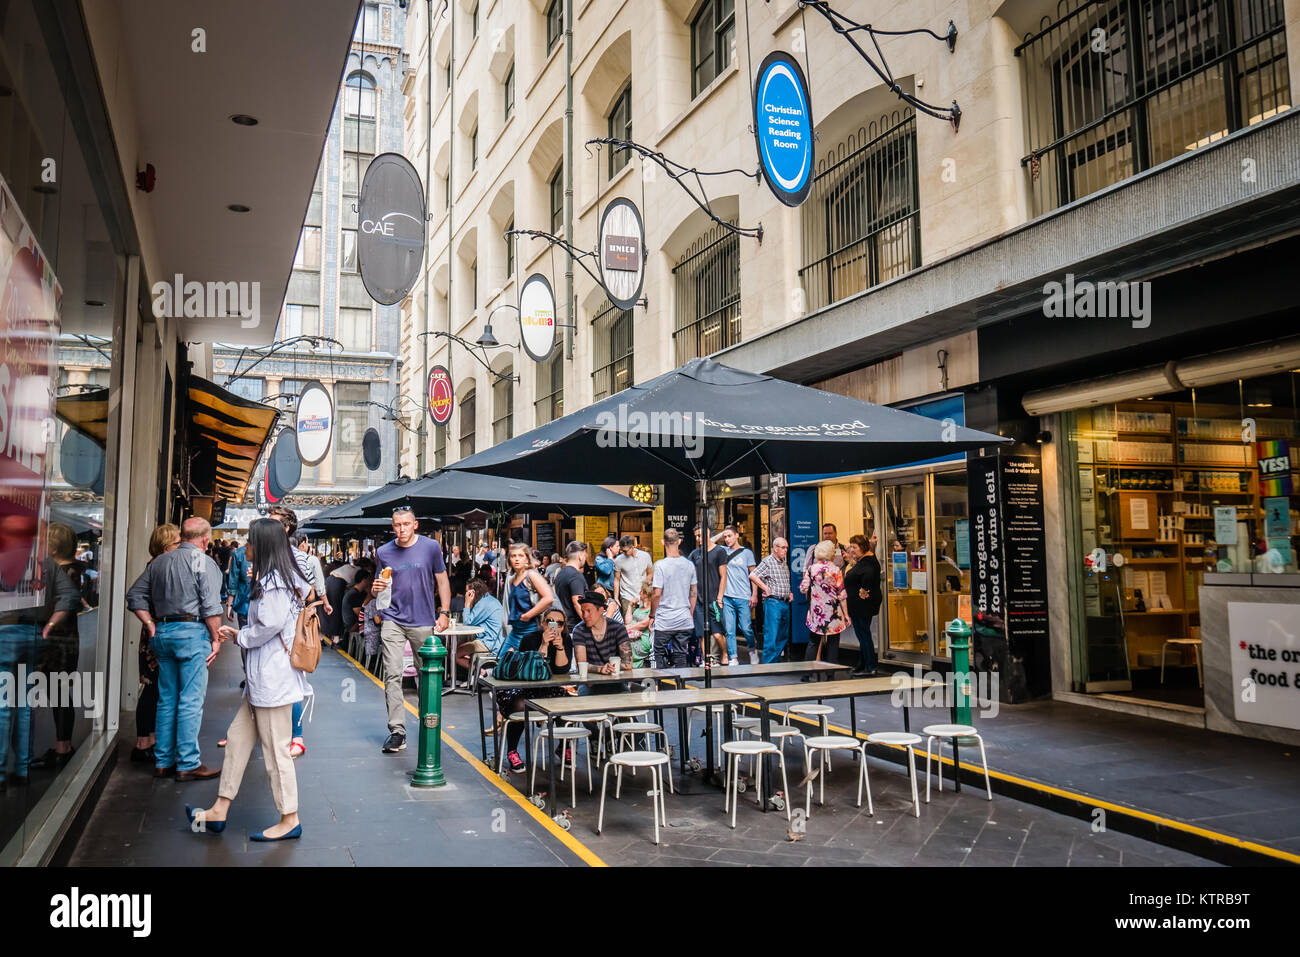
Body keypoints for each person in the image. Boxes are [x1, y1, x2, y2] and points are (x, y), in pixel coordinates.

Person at [188, 518, 311, 841]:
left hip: (272, 679)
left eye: (251, 541)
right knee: (237, 740)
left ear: (264, 545)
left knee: (276, 751)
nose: (246, 547)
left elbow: (268, 625)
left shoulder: (275, 582)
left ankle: (290, 817)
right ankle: (219, 809)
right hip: (262, 679)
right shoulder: (275, 577)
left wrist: (240, 637)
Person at [125, 516, 224, 780]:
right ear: (205, 539)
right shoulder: (202, 561)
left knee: (166, 699)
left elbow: (134, 595)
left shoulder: (160, 561)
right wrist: (216, 638)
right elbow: (211, 606)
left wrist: (149, 624)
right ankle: (188, 763)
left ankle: (163, 762)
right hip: (192, 634)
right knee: (190, 700)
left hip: (163, 634)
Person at [371, 507, 451, 754]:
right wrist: (375, 590)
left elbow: (442, 579)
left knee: (425, 672)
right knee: (392, 673)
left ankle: (429, 721)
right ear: (392, 526)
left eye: (406, 524)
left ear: (415, 524)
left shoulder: (430, 547)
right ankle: (397, 731)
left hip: (423, 619)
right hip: (392, 618)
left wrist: (445, 612)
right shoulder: (384, 552)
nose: (401, 529)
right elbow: (379, 589)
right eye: (397, 525)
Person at [29, 523, 92, 771]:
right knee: (60, 695)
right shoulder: (76, 571)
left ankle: (62, 748)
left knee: (57, 695)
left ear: (52, 548)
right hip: (65, 642)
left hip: (57, 644)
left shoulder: (62, 573)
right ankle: (62, 745)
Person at [497, 607, 570, 773]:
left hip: (550, 689)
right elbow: (533, 671)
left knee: (566, 702)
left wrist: (559, 648)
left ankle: (564, 746)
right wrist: (544, 644)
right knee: (520, 705)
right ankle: (512, 750)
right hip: (527, 687)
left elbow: (562, 671)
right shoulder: (530, 639)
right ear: (543, 623)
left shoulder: (565, 640)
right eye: (551, 622)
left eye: (560, 623)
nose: (555, 626)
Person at [133, 524, 180, 764]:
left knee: (156, 689)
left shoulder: (157, 565)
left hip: (153, 632)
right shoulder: (157, 567)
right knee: (152, 689)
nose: (180, 546)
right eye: (176, 542)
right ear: (166, 546)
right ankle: (143, 742)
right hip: (155, 634)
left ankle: (149, 739)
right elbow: (137, 597)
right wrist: (151, 623)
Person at [799, 539, 849, 679]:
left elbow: (803, 588)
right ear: (831, 554)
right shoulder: (836, 570)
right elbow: (842, 595)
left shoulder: (811, 569)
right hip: (833, 613)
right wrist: (846, 615)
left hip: (816, 612)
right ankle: (830, 675)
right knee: (833, 644)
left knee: (813, 642)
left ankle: (806, 674)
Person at [650, 528, 696, 668]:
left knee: (658, 654)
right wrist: (690, 613)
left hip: (665, 619)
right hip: (684, 618)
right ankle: (679, 686)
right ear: (679, 542)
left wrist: (652, 614)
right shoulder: (689, 565)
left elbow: (657, 593)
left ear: (663, 542)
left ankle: (661, 685)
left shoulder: (660, 565)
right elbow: (693, 593)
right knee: (681, 654)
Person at [501, 541, 553, 657]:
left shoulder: (531, 575)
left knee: (524, 666)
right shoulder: (512, 579)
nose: (517, 559)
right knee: (502, 663)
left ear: (527, 559)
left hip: (530, 630)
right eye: (513, 556)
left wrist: (528, 615)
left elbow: (549, 598)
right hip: (515, 630)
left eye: (520, 556)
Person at [715, 526, 756, 665]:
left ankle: (752, 649)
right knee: (729, 630)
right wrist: (721, 533)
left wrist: (754, 594)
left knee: (746, 628)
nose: (727, 539)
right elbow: (708, 542)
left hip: (743, 595)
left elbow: (753, 575)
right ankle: (734, 657)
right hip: (727, 596)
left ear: (737, 535)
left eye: (729, 536)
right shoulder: (722, 551)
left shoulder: (747, 553)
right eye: (725, 537)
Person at [750, 537, 794, 664]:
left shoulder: (783, 562)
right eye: (783, 547)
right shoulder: (768, 561)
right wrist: (765, 588)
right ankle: (768, 664)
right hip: (773, 602)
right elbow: (753, 575)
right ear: (775, 548)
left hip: (784, 602)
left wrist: (789, 592)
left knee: (783, 635)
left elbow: (783, 580)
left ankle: (775, 660)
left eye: (786, 547)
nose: (786, 550)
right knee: (772, 635)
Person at [688, 525, 728, 665]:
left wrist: (720, 598)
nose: (698, 539)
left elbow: (723, 576)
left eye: (700, 536)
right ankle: (707, 660)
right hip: (699, 600)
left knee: (717, 634)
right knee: (702, 634)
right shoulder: (695, 554)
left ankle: (725, 654)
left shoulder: (719, 551)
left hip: (714, 600)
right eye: (696, 537)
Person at [844, 533, 882, 676]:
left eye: (854, 547)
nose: (851, 550)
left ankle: (870, 666)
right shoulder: (863, 561)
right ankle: (863, 663)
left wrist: (862, 593)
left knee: (864, 634)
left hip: (862, 606)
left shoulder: (868, 563)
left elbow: (867, 581)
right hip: (859, 605)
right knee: (862, 634)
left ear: (862, 547)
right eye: (851, 546)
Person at [571, 591, 633, 678]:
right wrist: (600, 669)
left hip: (616, 681)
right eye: (583, 611)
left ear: (600, 610)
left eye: (589, 611)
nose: (585, 615)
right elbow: (581, 665)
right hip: (590, 683)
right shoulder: (579, 630)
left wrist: (608, 668)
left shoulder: (618, 628)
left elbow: (628, 664)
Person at [612, 535, 653, 623]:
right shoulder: (619, 560)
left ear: (633, 547)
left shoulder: (645, 556)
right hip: (627, 596)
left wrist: (646, 589)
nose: (623, 552)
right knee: (628, 624)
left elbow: (650, 574)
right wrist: (616, 597)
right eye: (621, 550)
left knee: (643, 622)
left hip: (643, 595)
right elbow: (616, 579)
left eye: (625, 551)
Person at [460, 578, 505, 656]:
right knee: (460, 647)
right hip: (495, 641)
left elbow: (467, 622)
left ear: (472, 593)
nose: (465, 595)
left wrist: (467, 603)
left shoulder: (483, 603)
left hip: (491, 644)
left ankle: (479, 669)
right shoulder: (488, 599)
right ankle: (474, 667)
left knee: (455, 653)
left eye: (467, 592)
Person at [550, 540, 588, 631]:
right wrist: (589, 623)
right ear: (580, 557)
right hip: (574, 626)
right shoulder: (576, 575)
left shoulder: (561, 573)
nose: (585, 559)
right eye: (585, 556)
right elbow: (577, 602)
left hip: (563, 624)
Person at [225, 539, 251, 627]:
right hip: (264, 607)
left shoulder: (239, 553)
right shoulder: (271, 552)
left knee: (244, 636)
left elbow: (233, 581)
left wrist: (229, 605)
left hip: (244, 603)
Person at [628, 583, 655, 668]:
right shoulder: (639, 608)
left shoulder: (652, 610)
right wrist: (630, 606)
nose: (639, 593)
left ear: (646, 594)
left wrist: (626, 628)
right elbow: (628, 621)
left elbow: (643, 624)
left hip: (643, 637)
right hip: (631, 634)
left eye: (641, 592)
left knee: (625, 644)